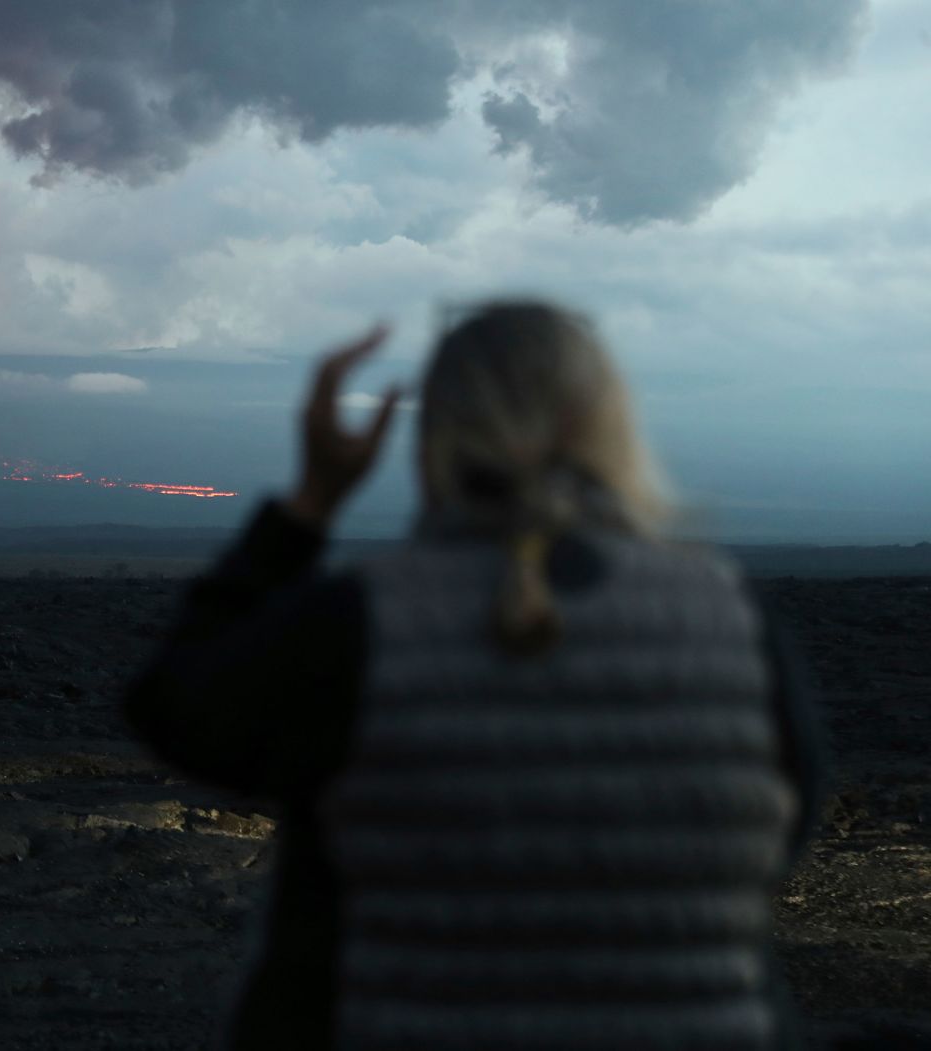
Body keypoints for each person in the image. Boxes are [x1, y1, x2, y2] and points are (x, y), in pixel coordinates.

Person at [123, 301, 823, 1050]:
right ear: (606, 422)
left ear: (436, 435)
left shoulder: (364, 622)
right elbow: (787, 824)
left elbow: (175, 709)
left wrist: (308, 507)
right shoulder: (729, 617)